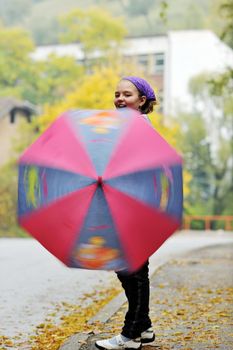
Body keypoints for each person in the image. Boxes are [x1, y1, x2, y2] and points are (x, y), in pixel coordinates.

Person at [95, 76, 157, 350]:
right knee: (129, 268)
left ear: (142, 101)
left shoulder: (136, 127)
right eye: (117, 93)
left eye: (127, 95)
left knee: (132, 269)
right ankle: (144, 329)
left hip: (134, 206)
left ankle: (130, 335)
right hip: (127, 204)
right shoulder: (126, 127)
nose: (120, 99)